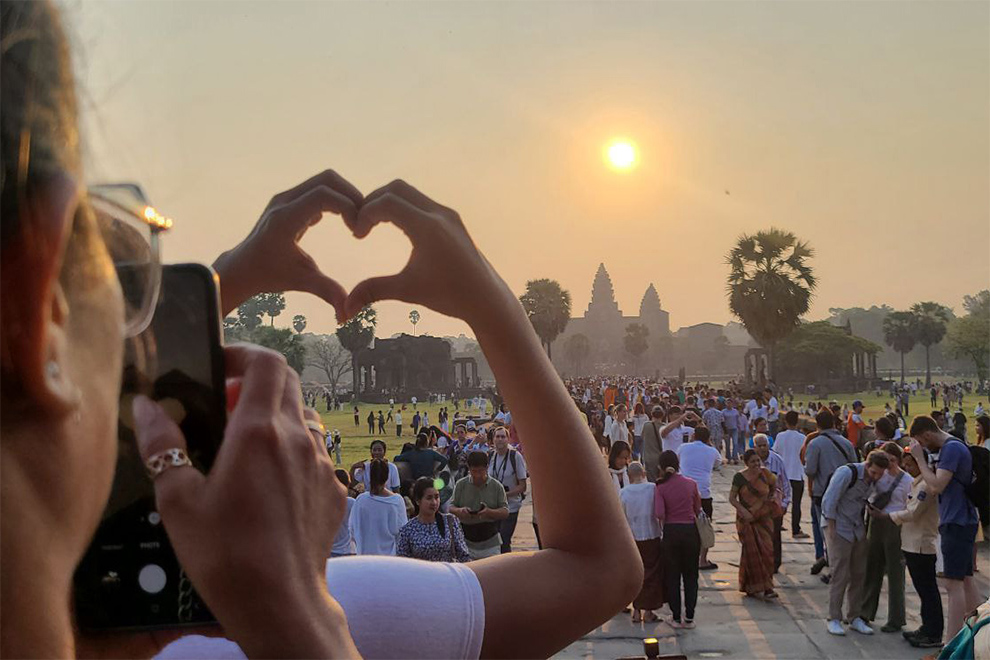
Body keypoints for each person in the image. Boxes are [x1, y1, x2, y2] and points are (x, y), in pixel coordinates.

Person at [0, 5, 645, 655]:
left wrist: (208, 295)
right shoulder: (263, 614)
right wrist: (300, 621)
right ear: (37, 300)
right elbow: (598, 566)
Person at [909, 415, 983, 640]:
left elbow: (937, 486)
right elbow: (934, 487)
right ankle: (982, 632)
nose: (922, 446)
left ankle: (951, 643)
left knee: (953, 584)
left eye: (921, 442)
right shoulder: (954, 446)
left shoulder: (951, 449)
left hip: (956, 520)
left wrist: (919, 460)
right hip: (962, 519)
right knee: (966, 581)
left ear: (927, 434)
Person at [874, 446, 944, 648]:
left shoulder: (926, 486)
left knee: (928, 590)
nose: (906, 467)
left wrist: (887, 516)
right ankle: (927, 627)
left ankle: (933, 632)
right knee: (923, 590)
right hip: (912, 542)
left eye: (910, 463)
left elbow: (913, 513)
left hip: (921, 544)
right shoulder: (918, 482)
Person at [820, 451, 890, 636]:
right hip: (839, 526)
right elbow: (829, 500)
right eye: (874, 472)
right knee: (840, 573)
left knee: (859, 573)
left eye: (879, 474)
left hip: (857, 527)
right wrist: (831, 529)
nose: (875, 477)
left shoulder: (874, 480)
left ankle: (854, 616)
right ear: (867, 464)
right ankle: (834, 618)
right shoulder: (847, 473)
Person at [859, 442, 912, 633]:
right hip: (876, 521)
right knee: (872, 567)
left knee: (895, 573)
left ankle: (896, 618)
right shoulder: (878, 476)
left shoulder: (907, 480)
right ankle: (865, 611)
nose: (888, 464)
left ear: (897, 460)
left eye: (892, 460)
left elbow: (910, 506)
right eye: (886, 459)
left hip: (895, 524)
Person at [804, 409, 858, 576]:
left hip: (823, 492)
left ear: (817, 424)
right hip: (845, 493)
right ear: (834, 423)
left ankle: (832, 565)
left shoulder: (815, 444)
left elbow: (810, 470)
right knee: (843, 529)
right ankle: (840, 562)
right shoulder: (846, 443)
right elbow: (854, 467)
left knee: (826, 530)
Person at [654, 450, 702, 629]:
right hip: (690, 532)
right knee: (691, 576)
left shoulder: (660, 487)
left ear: (660, 467)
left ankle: (675, 617)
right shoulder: (691, 484)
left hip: (672, 533)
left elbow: (659, 513)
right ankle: (689, 617)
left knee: (672, 577)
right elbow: (697, 509)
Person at [729, 449, 779, 601]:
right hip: (747, 520)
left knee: (768, 552)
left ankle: (768, 586)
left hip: (764, 519)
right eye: (753, 462)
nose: (757, 464)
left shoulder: (765, 474)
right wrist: (744, 512)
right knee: (751, 553)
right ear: (746, 463)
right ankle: (752, 586)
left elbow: (775, 488)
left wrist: (771, 499)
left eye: (758, 461)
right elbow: (732, 498)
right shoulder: (739, 477)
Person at [620, 462, 664, 623]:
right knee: (652, 573)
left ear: (629, 476)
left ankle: (636, 610)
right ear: (644, 474)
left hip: (633, 538)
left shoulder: (623, 493)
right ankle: (649, 611)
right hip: (652, 534)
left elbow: (621, 518)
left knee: (637, 573)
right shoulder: (653, 488)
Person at [449, 451, 510, 559]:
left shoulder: (496, 486)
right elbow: (451, 507)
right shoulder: (461, 485)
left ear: (487, 468)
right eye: (474, 471)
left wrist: (489, 512)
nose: (477, 475)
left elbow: (505, 512)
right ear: (468, 468)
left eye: (481, 471)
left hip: (490, 542)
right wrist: (460, 511)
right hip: (466, 541)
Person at [677, 426, 722, 570]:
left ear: (694, 435)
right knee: (704, 527)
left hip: (685, 492)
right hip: (703, 492)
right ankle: (702, 559)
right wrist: (710, 444)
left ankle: (685, 557)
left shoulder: (683, 447)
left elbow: (677, 460)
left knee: (685, 526)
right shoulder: (712, 451)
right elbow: (718, 463)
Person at [396, 477, 471, 563]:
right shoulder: (407, 530)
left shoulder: (450, 521)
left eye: (436, 497)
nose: (434, 502)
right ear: (417, 501)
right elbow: (402, 563)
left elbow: (463, 556)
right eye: (429, 498)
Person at [349, 459, 408, 555]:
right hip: (389, 561)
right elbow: (403, 533)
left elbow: (351, 528)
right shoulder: (396, 501)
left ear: (370, 476)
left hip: (364, 558)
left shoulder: (361, 500)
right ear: (387, 476)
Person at [753, 434, 791, 573]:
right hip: (757, 505)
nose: (763, 448)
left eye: (765, 445)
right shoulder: (752, 461)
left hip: (774, 503)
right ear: (754, 446)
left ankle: (775, 563)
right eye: (760, 446)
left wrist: (785, 503)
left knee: (775, 535)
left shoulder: (777, 460)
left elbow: (785, 482)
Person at [488, 426, 528, 554]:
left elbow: (523, 486)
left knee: (504, 540)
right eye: (497, 436)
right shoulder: (491, 456)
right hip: (494, 507)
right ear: (493, 439)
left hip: (511, 506)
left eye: (503, 437)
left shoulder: (515, 457)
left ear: (508, 439)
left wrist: (505, 495)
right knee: (493, 541)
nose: (500, 440)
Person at [774, 411, 808, 538]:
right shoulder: (802, 438)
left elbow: (775, 452)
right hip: (797, 473)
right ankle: (795, 529)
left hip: (783, 473)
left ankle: (779, 523)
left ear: (785, 422)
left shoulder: (780, 436)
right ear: (797, 421)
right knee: (796, 503)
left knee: (781, 501)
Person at [331, 470, 357, 557]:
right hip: (349, 550)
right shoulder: (352, 503)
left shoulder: (324, 503)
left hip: (330, 550)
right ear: (348, 484)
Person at [641, 405, 666, 482]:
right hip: (661, 458)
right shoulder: (665, 427)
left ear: (652, 414)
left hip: (648, 458)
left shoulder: (646, 425)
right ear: (662, 415)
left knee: (651, 482)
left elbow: (642, 437)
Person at [722, 400, 742, 464]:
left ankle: (735, 457)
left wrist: (740, 429)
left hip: (734, 429)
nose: (729, 404)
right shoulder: (723, 412)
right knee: (727, 444)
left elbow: (738, 420)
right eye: (728, 403)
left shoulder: (735, 411)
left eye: (730, 403)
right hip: (727, 429)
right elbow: (722, 421)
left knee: (735, 443)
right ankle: (728, 457)